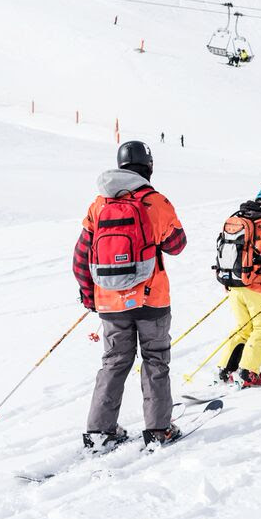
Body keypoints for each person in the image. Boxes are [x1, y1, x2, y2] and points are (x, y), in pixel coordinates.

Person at [72, 141, 187, 449]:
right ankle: (159, 429)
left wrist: (89, 295)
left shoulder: (99, 204)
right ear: (148, 167)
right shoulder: (155, 201)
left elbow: (82, 253)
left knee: (114, 362)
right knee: (155, 360)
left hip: (110, 300)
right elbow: (177, 245)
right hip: (152, 299)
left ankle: (99, 431)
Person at [214, 186, 261, 387]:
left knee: (243, 328)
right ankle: (248, 372)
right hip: (257, 287)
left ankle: (225, 368)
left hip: (233, 284)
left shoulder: (236, 218)